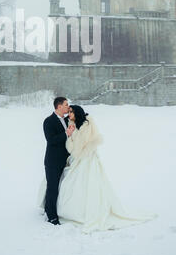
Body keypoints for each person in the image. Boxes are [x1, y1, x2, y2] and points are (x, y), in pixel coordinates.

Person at [38, 104, 158, 233]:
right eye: (68, 109)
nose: (69, 113)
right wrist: (70, 136)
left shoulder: (87, 124)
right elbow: (70, 144)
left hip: (87, 159)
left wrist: (72, 141)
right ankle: (55, 210)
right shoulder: (69, 123)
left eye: (71, 111)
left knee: (88, 185)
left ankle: (85, 212)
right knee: (66, 184)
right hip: (74, 159)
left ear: (77, 113)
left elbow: (82, 145)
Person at [41, 97, 74, 225]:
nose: (68, 107)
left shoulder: (67, 120)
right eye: (66, 105)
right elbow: (51, 140)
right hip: (53, 162)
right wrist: (66, 134)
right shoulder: (48, 121)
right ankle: (52, 216)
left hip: (65, 161)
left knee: (62, 188)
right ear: (59, 106)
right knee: (52, 188)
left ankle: (53, 209)